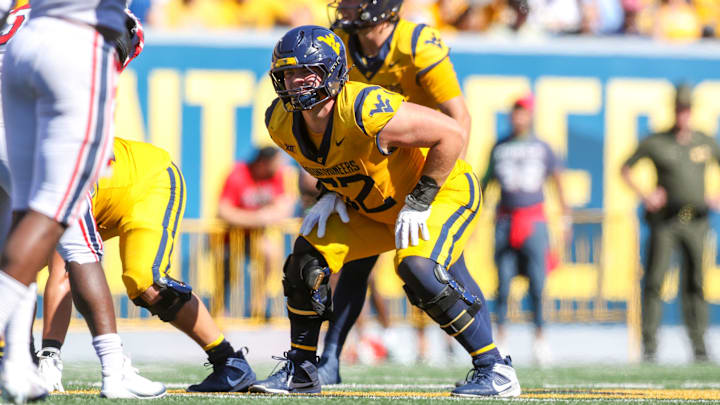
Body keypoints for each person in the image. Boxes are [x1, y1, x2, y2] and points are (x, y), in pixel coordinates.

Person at [248, 25, 520, 397]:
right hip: (376, 208)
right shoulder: (279, 121)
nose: (295, 82)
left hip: (440, 192)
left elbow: (452, 134)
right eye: (288, 73)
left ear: (332, 73)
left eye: (305, 72)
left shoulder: (366, 108)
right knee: (305, 262)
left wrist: (421, 198)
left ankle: (496, 369)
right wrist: (330, 190)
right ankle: (302, 369)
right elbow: (337, 158)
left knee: (418, 268)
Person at [319, 0, 475, 383]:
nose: (346, 7)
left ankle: (491, 361)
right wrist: (330, 186)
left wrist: (433, 191)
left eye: (356, 1)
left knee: (433, 268)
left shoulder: (417, 44)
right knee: (342, 266)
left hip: (421, 173)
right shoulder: (340, 41)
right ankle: (329, 360)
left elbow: (459, 120)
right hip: (369, 176)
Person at [0, 1, 145, 401]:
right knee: (69, 226)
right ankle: (114, 369)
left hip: (19, 51)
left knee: (20, 227)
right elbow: (125, 38)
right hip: (72, 46)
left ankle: (17, 363)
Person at [38, 137, 258, 393]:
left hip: (149, 180)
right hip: (105, 197)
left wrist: (49, 355)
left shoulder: (58, 168)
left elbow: (63, 269)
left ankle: (230, 362)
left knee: (146, 283)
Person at [621, 83, 716, 363]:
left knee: (696, 283)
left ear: (692, 111)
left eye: (686, 109)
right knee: (655, 281)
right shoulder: (657, 141)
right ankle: (650, 346)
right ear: (674, 110)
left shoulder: (704, 141)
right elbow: (625, 168)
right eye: (679, 109)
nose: (683, 115)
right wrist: (646, 195)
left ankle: (699, 346)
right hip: (666, 222)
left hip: (697, 221)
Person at [481, 94, 569, 366]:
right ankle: (502, 338)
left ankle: (540, 339)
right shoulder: (500, 146)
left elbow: (557, 181)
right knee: (503, 283)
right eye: (515, 112)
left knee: (538, 284)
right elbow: (486, 184)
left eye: (523, 112)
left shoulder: (542, 147)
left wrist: (566, 218)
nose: (519, 117)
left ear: (530, 115)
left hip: (533, 221)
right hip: (506, 221)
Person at [217, 146, 296, 319]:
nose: (281, 167)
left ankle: (257, 304)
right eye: (277, 163)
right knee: (225, 272)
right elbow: (224, 211)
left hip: (254, 236)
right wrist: (258, 218)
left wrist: (266, 216)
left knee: (271, 254)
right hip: (229, 237)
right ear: (263, 163)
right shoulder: (238, 173)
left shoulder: (276, 176)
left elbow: (284, 206)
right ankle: (219, 309)